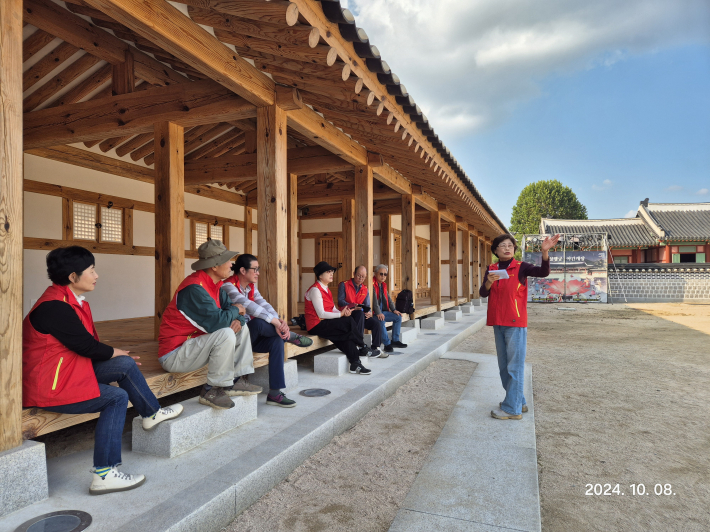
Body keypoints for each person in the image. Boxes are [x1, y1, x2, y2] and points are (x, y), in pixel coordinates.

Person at [23, 246, 183, 495]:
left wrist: (116, 354)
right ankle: (105, 474)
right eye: (91, 270)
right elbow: (85, 346)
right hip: (50, 386)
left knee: (126, 364)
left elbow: (86, 347)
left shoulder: (69, 300)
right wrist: (114, 351)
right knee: (116, 398)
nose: (96, 275)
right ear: (73, 277)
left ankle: (151, 413)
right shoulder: (54, 307)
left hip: (67, 373)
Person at [158, 240, 261, 411]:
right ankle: (212, 390)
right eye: (228, 260)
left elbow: (238, 313)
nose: (231, 264)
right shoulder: (194, 288)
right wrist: (236, 311)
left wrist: (238, 317)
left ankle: (236, 381)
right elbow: (218, 322)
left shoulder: (216, 286)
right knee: (226, 332)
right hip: (175, 354)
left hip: (196, 347)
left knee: (240, 328)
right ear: (214, 265)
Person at [480, 233, 559, 420]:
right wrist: (489, 282)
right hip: (497, 321)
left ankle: (511, 410)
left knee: (514, 367)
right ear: (495, 250)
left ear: (514, 250)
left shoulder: (522, 267)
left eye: (510, 245)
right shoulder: (491, 269)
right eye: (503, 245)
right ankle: (518, 401)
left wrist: (544, 252)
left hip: (515, 322)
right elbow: (483, 293)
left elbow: (543, 272)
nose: (507, 248)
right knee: (503, 367)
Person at [222, 254, 313, 408]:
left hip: (251, 339)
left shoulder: (250, 287)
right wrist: (277, 323)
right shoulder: (228, 286)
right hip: (236, 340)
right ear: (243, 270)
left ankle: (275, 393)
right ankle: (289, 336)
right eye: (255, 269)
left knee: (276, 340)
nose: (258, 272)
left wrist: (279, 322)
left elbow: (263, 304)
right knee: (258, 322)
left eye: (258, 269)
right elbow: (250, 306)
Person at [305, 261, 372, 375]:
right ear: (320, 275)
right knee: (348, 322)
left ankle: (355, 363)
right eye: (328, 272)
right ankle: (362, 344)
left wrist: (344, 312)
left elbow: (333, 309)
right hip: (316, 325)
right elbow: (321, 314)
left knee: (345, 336)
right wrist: (341, 315)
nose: (331, 274)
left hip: (327, 322)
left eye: (332, 271)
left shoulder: (326, 289)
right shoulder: (315, 290)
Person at [337, 265, 386, 358]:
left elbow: (367, 305)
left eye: (363, 277)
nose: (361, 278)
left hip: (360, 315)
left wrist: (369, 312)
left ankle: (376, 348)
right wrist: (353, 305)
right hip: (347, 314)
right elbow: (340, 301)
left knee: (376, 323)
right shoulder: (344, 284)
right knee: (359, 314)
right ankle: (359, 345)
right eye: (359, 275)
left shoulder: (365, 288)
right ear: (354, 274)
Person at [372, 265, 408, 353]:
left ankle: (395, 340)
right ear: (375, 273)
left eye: (385, 274)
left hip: (383, 311)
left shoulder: (383, 285)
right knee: (380, 320)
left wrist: (394, 310)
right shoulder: (372, 284)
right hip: (374, 312)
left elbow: (389, 298)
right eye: (381, 274)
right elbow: (374, 302)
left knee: (398, 317)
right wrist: (378, 313)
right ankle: (387, 344)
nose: (383, 276)